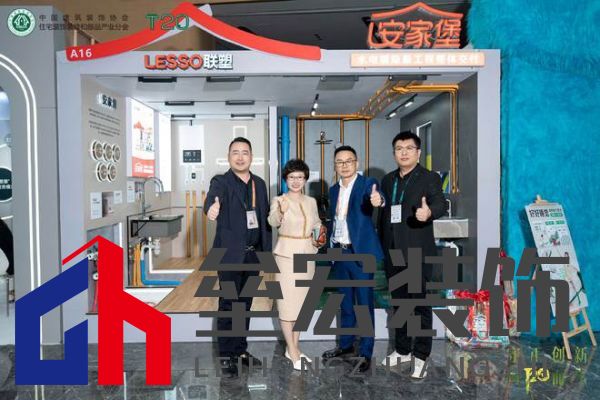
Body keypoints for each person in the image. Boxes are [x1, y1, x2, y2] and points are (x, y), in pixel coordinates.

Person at [378, 131, 445, 379]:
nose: (403, 152)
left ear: (418, 152)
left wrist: (429, 213)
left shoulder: (429, 178)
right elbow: (386, 212)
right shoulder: (388, 180)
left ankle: (421, 356)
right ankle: (403, 350)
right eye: (399, 148)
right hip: (393, 251)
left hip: (417, 251)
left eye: (409, 148)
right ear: (394, 153)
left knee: (420, 305)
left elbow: (441, 203)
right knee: (399, 304)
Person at [204, 137, 272, 377]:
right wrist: (211, 209)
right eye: (235, 152)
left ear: (251, 156)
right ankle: (226, 355)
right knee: (228, 304)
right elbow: (211, 201)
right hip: (230, 256)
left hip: (254, 255)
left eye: (245, 152)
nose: (240, 157)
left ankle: (240, 350)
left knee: (245, 305)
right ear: (229, 156)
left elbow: (264, 219)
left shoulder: (259, 184)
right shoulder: (221, 182)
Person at [321, 145, 385, 373]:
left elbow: (375, 197)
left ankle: (365, 352)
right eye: (340, 162)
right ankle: (346, 345)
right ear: (335, 165)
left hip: (360, 254)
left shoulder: (367, 183)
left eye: (349, 161)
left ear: (356, 163)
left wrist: (378, 200)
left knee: (364, 305)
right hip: (339, 252)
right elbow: (334, 220)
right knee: (345, 302)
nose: (344, 165)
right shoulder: (333, 190)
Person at [268, 159, 325, 370]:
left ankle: (295, 347)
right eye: (291, 177)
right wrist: (281, 211)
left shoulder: (311, 201)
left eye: (300, 177)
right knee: (286, 304)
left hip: (307, 254)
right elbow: (272, 221)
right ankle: (291, 350)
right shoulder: (279, 200)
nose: (296, 181)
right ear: (286, 179)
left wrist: (319, 237)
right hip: (286, 256)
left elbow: (317, 223)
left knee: (301, 305)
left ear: (305, 179)